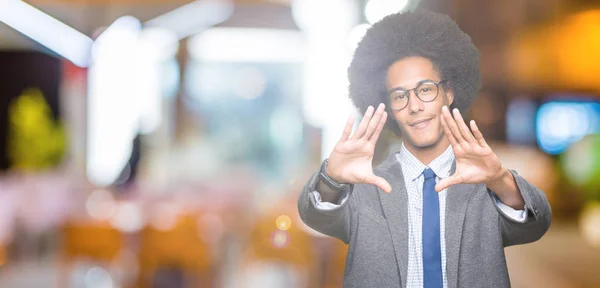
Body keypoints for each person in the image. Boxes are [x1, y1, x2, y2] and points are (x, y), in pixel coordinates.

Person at [297, 9, 551, 288]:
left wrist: (501, 180)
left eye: (426, 89)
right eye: (400, 95)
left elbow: (537, 224)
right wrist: (331, 179)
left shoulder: (485, 183)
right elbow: (314, 215)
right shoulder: (366, 188)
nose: (414, 105)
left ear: (449, 92)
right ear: (391, 109)